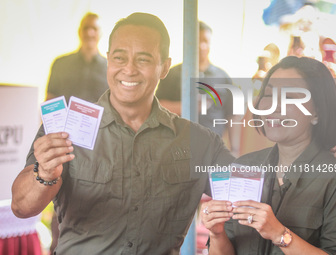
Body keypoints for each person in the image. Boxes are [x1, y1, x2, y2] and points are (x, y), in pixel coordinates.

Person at [11, 12, 235, 255]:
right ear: (108, 60)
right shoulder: (66, 129)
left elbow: (253, 194)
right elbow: (21, 207)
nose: (129, 69)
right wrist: (44, 174)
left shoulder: (199, 143)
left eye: (143, 59)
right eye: (119, 57)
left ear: (164, 67)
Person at [201, 56, 336, 254]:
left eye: (290, 97)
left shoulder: (333, 177)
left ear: (317, 112)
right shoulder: (244, 166)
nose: (274, 106)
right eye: (268, 95)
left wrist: (279, 234)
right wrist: (216, 234)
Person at [155, 21, 233, 138]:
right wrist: (189, 106)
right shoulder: (172, 74)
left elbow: (232, 116)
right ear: (188, 42)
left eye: (205, 41)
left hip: (213, 150)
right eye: (197, 41)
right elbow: (157, 107)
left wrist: (234, 150)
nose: (201, 46)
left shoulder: (222, 77)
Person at [46, 12, 108, 103]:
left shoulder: (110, 68)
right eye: (85, 28)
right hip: (64, 117)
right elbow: (50, 100)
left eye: (94, 28)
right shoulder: (60, 64)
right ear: (79, 31)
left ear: (101, 33)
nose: (89, 33)